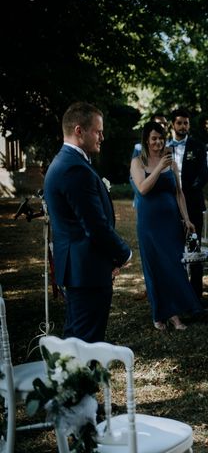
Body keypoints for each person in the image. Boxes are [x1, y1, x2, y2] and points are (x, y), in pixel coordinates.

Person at [43, 102, 132, 342]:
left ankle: (73, 379)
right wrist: (123, 254)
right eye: (98, 131)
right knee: (86, 343)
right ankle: (83, 380)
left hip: (83, 268)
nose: (102, 136)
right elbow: (94, 226)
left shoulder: (70, 163)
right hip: (86, 271)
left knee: (76, 339)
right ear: (79, 131)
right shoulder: (74, 168)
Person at [130, 121, 202, 330]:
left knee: (173, 266)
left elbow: (179, 192)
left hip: (170, 222)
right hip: (149, 224)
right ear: (146, 139)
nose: (158, 142)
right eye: (154, 138)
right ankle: (159, 313)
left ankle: (175, 315)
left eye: (161, 138)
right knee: (155, 268)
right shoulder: (137, 162)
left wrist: (187, 219)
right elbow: (142, 189)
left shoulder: (171, 161)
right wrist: (159, 168)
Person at [167, 108, 208, 301]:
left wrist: (188, 193)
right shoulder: (165, 148)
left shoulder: (198, 146)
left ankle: (196, 296)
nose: (183, 127)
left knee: (194, 250)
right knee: (174, 250)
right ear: (172, 125)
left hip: (192, 204)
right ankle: (177, 293)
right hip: (170, 205)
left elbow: (203, 174)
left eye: (186, 123)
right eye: (180, 123)